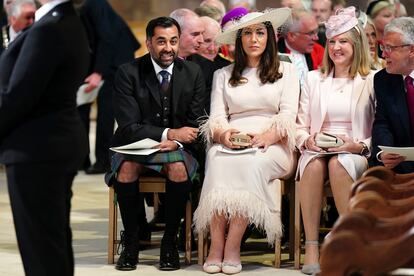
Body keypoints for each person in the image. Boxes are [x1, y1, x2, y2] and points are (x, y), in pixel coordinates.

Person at [194, 8, 299, 274]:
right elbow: (216, 118)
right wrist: (224, 135)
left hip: (272, 144)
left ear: (269, 38)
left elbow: (288, 115)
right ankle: (216, 245)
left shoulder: (287, 71)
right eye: (248, 33)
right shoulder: (223, 74)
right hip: (232, 140)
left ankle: (232, 246)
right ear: (239, 39)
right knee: (215, 159)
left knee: (251, 163)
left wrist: (267, 136)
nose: (254, 39)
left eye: (260, 33)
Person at [105, 16, 206, 271]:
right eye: (161, 41)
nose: (168, 48)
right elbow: (128, 127)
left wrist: (178, 143)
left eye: (173, 41)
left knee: (179, 169)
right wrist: (170, 134)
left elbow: (195, 123)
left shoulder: (193, 73)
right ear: (148, 43)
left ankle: (170, 242)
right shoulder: (128, 73)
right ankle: (131, 241)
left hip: (178, 149)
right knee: (126, 169)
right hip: (134, 146)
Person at [0, 0, 89, 275]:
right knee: (52, 243)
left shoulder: (49, 28)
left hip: (36, 149)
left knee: (41, 249)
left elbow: (18, 96)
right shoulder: (66, 21)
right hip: (51, 145)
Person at [295, 6, 376, 275]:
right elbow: (299, 125)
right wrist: (308, 141)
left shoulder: (372, 79)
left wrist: (356, 145)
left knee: (339, 164)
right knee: (315, 164)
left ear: (356, 44)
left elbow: (380, 128)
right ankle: (312, 246)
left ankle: (348, 242)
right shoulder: (313, 78)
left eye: (343, 41)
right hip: (318, 147)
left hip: (354, 149)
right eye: (332, 42)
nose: (337, 47)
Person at [77, 0, 141, 174]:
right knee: (81, 107)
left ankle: (103, 161)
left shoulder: (93, 3)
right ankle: (81, 159)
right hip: (100, 58)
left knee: (106, 111)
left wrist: (98, 72)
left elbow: (107, 38)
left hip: (116, 59)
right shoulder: (76, 6)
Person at [371, 17, 414, 173]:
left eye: (390, 48)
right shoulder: (383, 79)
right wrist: (383, 153)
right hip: (401, 164)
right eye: (383, 47)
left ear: (411, 50)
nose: (383, 54)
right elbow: (382, 124)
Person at [278, 9, 324, 88]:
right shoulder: (274, 52)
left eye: (316, 31)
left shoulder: (319, 51)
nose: (316, 38)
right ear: (291, 36)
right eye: (310, 33)